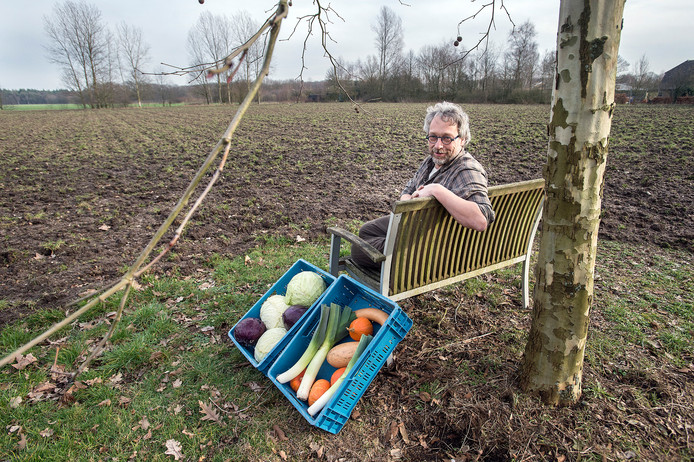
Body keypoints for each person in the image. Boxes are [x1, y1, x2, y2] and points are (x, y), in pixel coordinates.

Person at [351, 101, 495, 271]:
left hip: (426, 249)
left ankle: (394, 268)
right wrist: (408, 202)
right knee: (367, 231)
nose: (438, 145)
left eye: (447, 138)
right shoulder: (431, 162)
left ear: (462, 140)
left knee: (358, 250)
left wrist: (436, 189)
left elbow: (481, 220)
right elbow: (409, 189)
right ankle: (390, 255)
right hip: (414, 226)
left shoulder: (466, 169)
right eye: (433, 137)